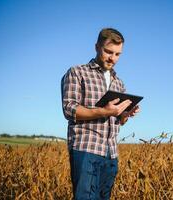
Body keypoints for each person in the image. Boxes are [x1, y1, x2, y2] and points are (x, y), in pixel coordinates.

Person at [61, 28, 140, 200]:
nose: (113, 58)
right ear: (97, 47)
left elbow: (118, 121)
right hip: (86, 149)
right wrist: (103, 111)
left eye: (118, 54)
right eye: (108, 51)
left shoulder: (118, 83)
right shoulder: (77, 72)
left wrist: (125, 114)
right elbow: (69, 109)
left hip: (111, 153)